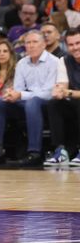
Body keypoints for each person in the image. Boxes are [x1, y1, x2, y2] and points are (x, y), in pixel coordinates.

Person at [0, 31, 58, 167]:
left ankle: (35, 152)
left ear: (43, 44)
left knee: (32, 103)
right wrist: (11, 94)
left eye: (35, 42)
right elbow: (18, 88)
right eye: (28, 43)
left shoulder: (54, 62)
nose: (31, 46)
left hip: (47, 105)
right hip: (26, 103)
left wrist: (21, 95)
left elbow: (49, 93)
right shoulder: (22, 63)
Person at [44, 28, 80, 166]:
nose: (75, 47)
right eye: (71, 45)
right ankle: (60, 151)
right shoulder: (64, 61)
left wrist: (68, 93)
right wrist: (58, 92)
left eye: (78, 43)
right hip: (75, 104)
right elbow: (62, 86)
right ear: (66, 46)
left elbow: (68, 92)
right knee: (54, 103)